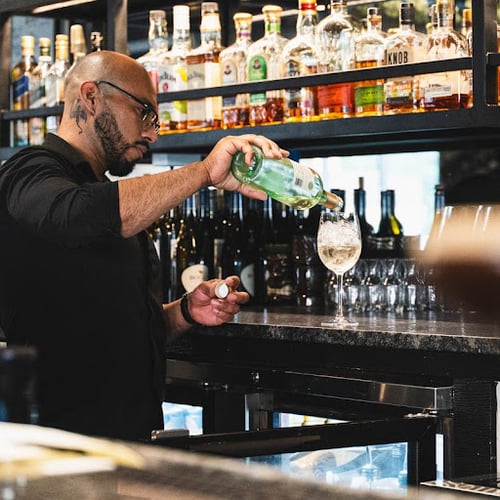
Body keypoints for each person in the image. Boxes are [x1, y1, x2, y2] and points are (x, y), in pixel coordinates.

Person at [0, 50, 287, 441]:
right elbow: (75, 215)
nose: (152, 134)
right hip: (60, 446)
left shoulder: (108, 194)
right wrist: (205, 171)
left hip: (129, 441)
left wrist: (184, 312)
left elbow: (119, 328)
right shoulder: (28, 171)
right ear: (91, 96)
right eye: (144, 113)